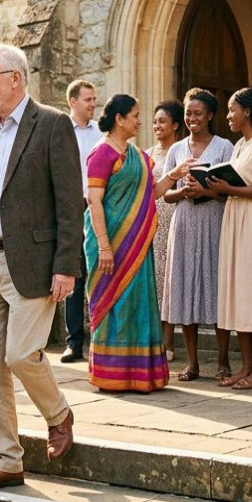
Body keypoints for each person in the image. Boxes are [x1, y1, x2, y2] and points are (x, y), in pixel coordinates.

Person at [0, 44, 83, 494]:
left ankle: (59, 414)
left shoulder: (51, 124)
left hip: (33, 262)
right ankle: (6, 461)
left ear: (16, 78)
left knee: (20, 355)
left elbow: (69, 202)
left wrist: (66, 266)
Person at [82, 94, 169, 392]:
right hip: (109, 244)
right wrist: (105, 247)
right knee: (113, 306)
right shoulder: (101, 153)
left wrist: (174, 176)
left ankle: (139, 375)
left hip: (136, 245)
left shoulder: (138, 156)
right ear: (119, 119)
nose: (139, 121)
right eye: (135, 116)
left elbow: (150, 194)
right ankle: (112, 375)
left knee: (136, 305)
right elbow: (94, 201)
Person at [161, 88, 235, 381]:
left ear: (210, 116)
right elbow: (165, 194)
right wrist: (183, 191)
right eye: (188, 114)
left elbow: (231, 190)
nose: (192, 119)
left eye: (198, 114)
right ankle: (192, 363)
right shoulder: (176, 150)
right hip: (184, 223)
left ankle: (223, 361)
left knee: (216, 289)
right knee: (185, 289)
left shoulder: (225, 147)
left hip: (213, 221)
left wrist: (207, 191)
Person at [207, 87, 252, 391]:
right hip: (236, 219)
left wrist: (229, 189)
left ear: (247, 111)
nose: (228, 116)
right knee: (240, 294)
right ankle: (246, 367)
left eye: (232, 109)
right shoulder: (239, 145)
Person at [62, 80, 103, 364]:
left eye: (94, 99)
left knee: (100, 272)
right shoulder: (61, 131)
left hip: (98, 209)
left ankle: (100, 342)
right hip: (72, 210)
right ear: (73, 102)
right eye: (88, 99)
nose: (93, 104)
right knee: (73, 276)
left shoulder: (102, 132)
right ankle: (74, 342)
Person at [146, 100, 185, 361]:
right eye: (154, 122)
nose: (157, 126)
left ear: (175, 125)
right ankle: (153, 340)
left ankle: (169, 342)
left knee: (170, 279)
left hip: (173, 216)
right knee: (155, 279)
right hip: (152, 221)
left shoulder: (181, 152)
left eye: (162, 121)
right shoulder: (147, 153)